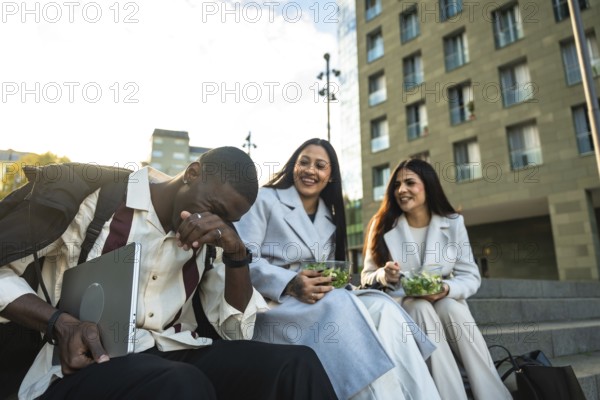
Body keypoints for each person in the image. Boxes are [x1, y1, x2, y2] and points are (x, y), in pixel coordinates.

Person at [0, 147, 338, 400]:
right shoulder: (99, 201)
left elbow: (236, 333)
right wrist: (61, 322)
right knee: (181, 383)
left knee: (297, 364)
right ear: (192, 173)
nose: (215, 223)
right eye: (215, 209)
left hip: (174, 349)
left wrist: (237, 255)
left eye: (228, 220)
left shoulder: (213, 240)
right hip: (86, 361)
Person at [235, 138, 441, 400]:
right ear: (293, 166)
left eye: (321, 166)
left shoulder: (329, 219)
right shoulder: (265, 199)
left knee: (386, 309)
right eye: (304, 162)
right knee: (343, 305)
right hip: (274, 305)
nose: (311, 170)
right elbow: (242, 257)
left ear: (330, 176)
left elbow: (330, 270)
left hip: (320, 302)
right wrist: (290, 282)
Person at [361, 158, 511, 400]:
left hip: (443, 299)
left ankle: (493, 394)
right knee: (418, 306)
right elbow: (366, 276)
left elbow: (470, 275)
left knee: (451, 308)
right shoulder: (382, 224)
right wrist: (384, 274)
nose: (402, 190)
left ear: (428, 186)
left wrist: (445, 289)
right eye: (397, 185)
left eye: (410, 182)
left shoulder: (452, 223)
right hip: (402, 303)